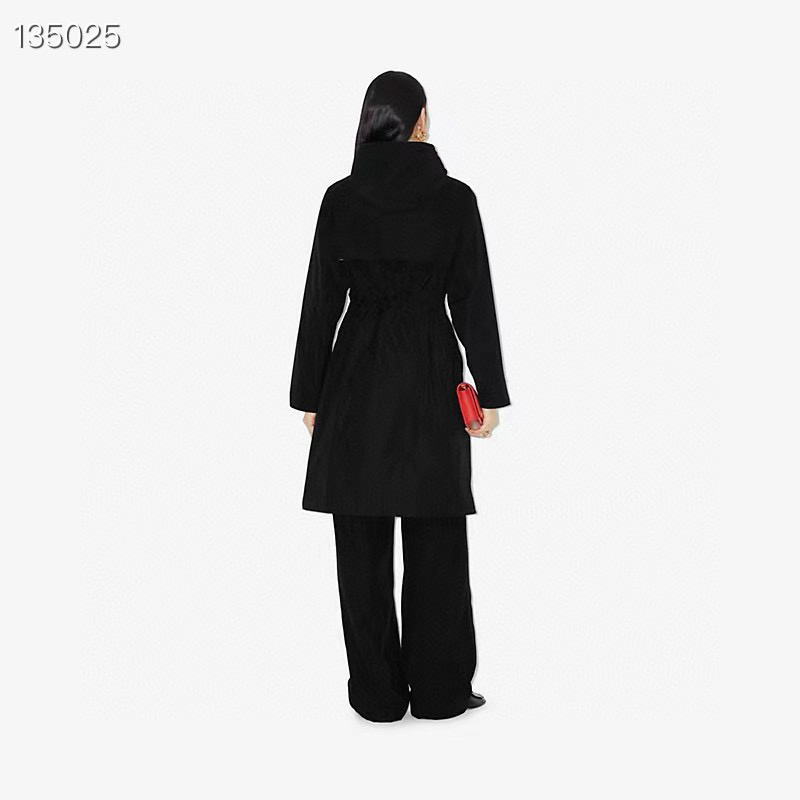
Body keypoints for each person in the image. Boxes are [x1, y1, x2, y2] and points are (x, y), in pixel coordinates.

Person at [289, 70, 511, 722]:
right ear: (417, 122)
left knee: (359, 542)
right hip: (427, 373)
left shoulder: (340, 199)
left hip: (354, 376)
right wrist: (490, 391)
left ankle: (376, 695)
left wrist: (310, 394)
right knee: (436, 536)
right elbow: (473, 299)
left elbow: (320, 302)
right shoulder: (454, 200)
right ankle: (441, 692)